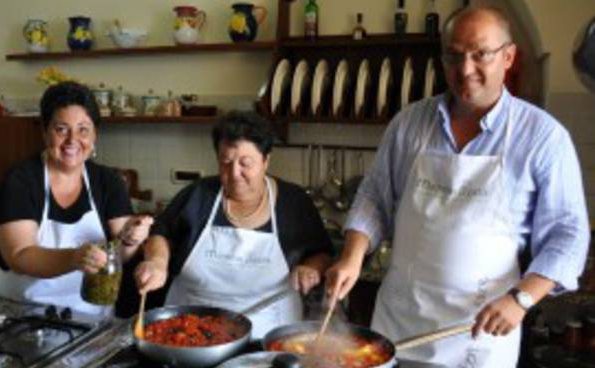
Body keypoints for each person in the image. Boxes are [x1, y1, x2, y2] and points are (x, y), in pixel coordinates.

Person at [325, 5, 590, 367]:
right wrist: (352, 256)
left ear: (508, 56)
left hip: (478, 335)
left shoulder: (542, 137)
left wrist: (522, 299)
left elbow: (568, 234)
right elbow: (374, 195)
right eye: (454, 56)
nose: (465, 70)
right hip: (399, 327)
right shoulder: (408, 124)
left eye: (481, 54)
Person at [134, 111, 333, 339]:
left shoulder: (293, 202)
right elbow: (161, 233)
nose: (234, 174)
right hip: (188, 327)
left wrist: (311, 268)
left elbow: (322, 253)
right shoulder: (198, 194)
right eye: (225, 163)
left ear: (266, 161)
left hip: (267, 334)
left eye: (245, 164)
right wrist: (157, 262)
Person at [0, 81, 153, 314]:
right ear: (45, 131)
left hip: (89, 317)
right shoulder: (21, 181)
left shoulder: (108, 182)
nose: (72, 140)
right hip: (24, 314)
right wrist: (74, 258)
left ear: (95, 134)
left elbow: (121, 256)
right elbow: (19, 256)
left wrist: (131, 239)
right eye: (61, 129)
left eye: (83, 129)